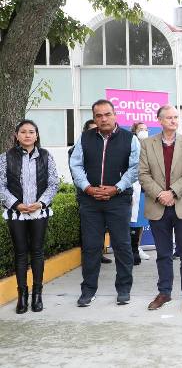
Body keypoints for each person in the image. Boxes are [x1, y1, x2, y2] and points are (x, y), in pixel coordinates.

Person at [70, 99, 139, 307]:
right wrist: (87, 188)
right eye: (98, 115)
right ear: (94, 118)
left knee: (122, 245)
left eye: (107, 114)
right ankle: (88, 290)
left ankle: (124, 289)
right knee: (91, 247)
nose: (103, 119)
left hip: (118, 199)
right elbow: (76, 165)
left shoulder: (130, 139)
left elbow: (135, 168)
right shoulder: (85, 138)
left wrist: (116, 187)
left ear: (115, 115)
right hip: (90, 201)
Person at [138, 105, 182, 312]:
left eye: (176, 117)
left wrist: (172, 193)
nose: (174, 121)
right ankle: (164, 292)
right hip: (158, 205)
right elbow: (143, 174)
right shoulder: (147, 144)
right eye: (169, 117)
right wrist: (160, 194)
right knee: (163, 253)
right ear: (160, 120)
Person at [0, 120, 59, 313]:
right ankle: (22, 295)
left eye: (31, 132)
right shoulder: (5, 157)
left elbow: (53, 183)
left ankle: (37, 295)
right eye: (23, 132)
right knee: (20, 253)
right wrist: (16, 204)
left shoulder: (46, 156)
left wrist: (40, 203)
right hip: (16, 213)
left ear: (36, 135)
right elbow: (1, 185)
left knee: (37, 252)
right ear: (16, 135)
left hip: (38, 211)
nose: (27, 135)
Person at [69, 119, 113, 265]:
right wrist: (88, 188)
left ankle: (99, 253)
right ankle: (87, 256)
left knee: (102, 226)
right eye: (92, 129)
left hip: (104, 193)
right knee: (88, 229)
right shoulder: (76, 149)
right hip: (86, 194)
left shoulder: (107, 147)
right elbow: (75, 172)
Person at [130, 122, 150, 265]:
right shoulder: (131, 144)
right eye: (141, 129)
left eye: (146, 129)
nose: (144, 131)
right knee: (131, 220)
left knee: (141, 220)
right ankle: (131, 249)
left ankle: (137, 246)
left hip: (145, 188)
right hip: (133, 187)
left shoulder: (149, 145)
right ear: (135, 131)